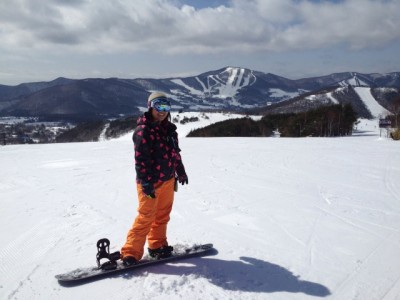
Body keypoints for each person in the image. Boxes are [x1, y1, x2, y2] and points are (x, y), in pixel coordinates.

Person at [121, 92, 188, 266]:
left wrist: (180, 171)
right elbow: (141, 159)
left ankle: (157, 246)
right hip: (150, 183)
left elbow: (175, 154)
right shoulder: (144, 130)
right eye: (159, 106)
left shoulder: (170, 130)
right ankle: (130, 252)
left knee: (162, 215)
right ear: (150, 106)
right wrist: (145, 182)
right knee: (146, 217)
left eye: (166, 107)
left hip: (167, 180)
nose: (162, 111)